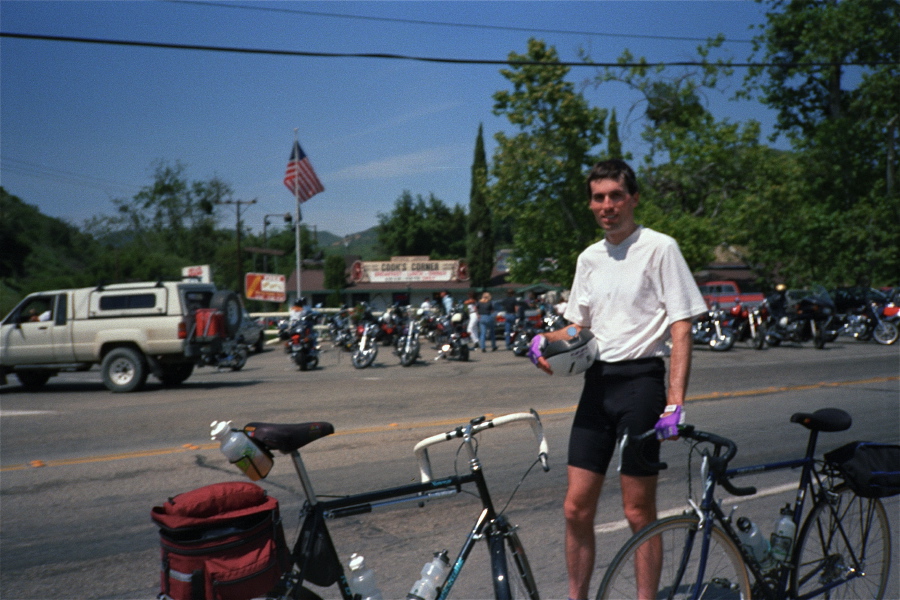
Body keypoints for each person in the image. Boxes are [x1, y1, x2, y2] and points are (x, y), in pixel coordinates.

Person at [527, 159, 706, 600]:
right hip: (598, 386)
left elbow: (681, 327)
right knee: (575, 508)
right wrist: (542, 342)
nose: (607, 205)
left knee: (637, 510)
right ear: (591, 204)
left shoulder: (660, 248)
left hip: (641, 385)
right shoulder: (589, 258)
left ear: (633, 199)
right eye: (598, 198)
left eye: (615, 196)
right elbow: (579, 327)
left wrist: (675, 402)